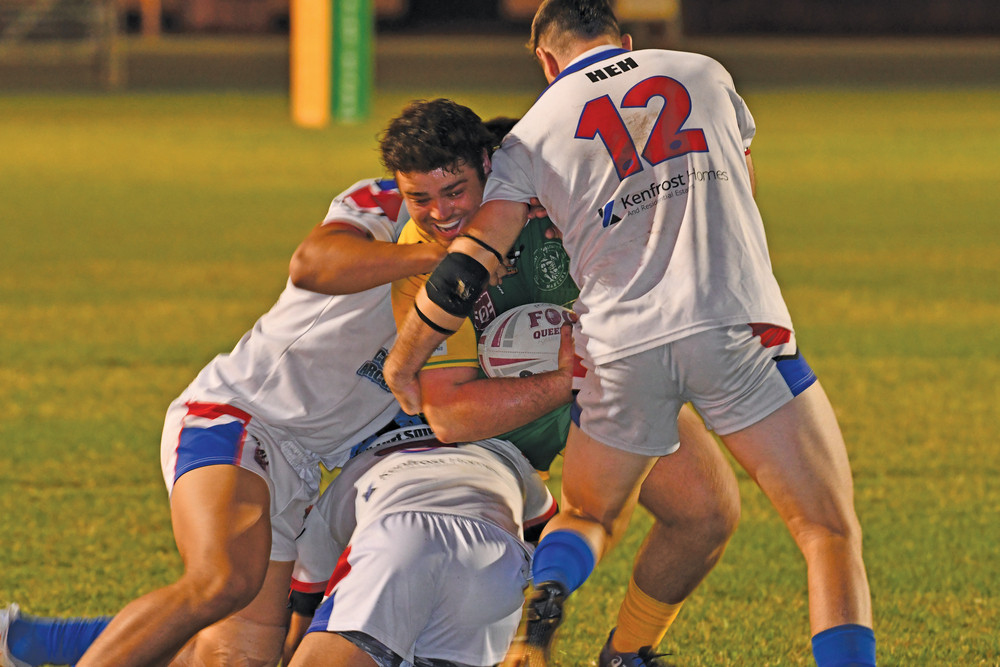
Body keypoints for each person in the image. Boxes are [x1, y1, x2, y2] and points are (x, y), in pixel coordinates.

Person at [383, 4, 876, 667]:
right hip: (735, 323)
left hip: (617, 347)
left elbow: (468, 262)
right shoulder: (705, 73)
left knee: (590, 514)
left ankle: (552, 590)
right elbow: (741, 194)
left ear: (546, 61)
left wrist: (405, 358)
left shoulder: (533, 134)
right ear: (626, 42)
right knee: (826, 530)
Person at [2, 173, 445, 667]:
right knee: (221, 579)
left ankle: (26, 642)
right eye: (428, 195)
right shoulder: (391, 206)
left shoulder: (509, 270)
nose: (442, 208)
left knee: (237, 656)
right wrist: (438, 258)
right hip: (242, 416)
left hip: (301, 467)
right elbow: (312, 263)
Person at [381, 100, 739, 666]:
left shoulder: (563, 203)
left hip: (601, 381)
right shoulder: (423, 260)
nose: (440, 215)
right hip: (500, 434)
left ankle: (627, 654)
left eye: (455, 192)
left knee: (706, 511)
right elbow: (450, 418)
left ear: (490, 167)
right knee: (464, 599)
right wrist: (566, 377)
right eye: (419, 199)